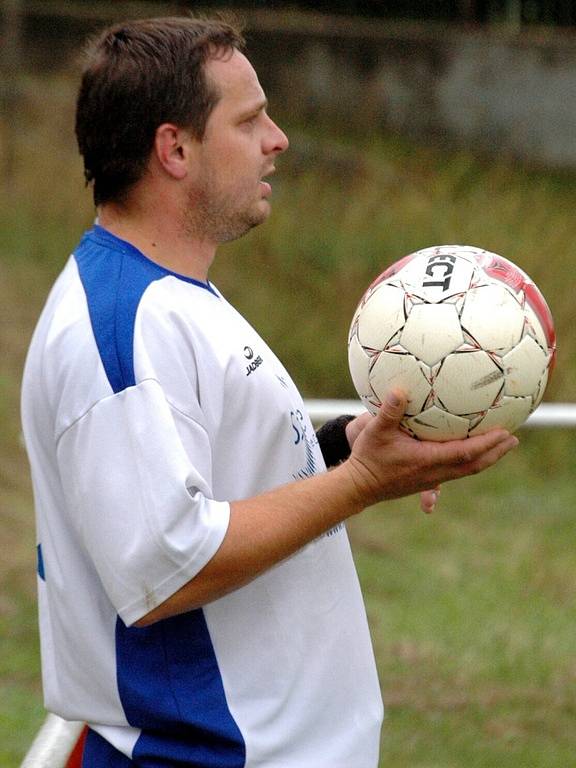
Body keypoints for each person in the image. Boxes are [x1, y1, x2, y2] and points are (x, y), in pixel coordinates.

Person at [21, 16, 518, 768]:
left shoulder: (173, 294)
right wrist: (359, 485)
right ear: (175, 149)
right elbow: (166, 567)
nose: (278, 138)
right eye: (250, 119)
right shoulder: (123, 323)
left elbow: (208, 480)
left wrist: (343, 451)